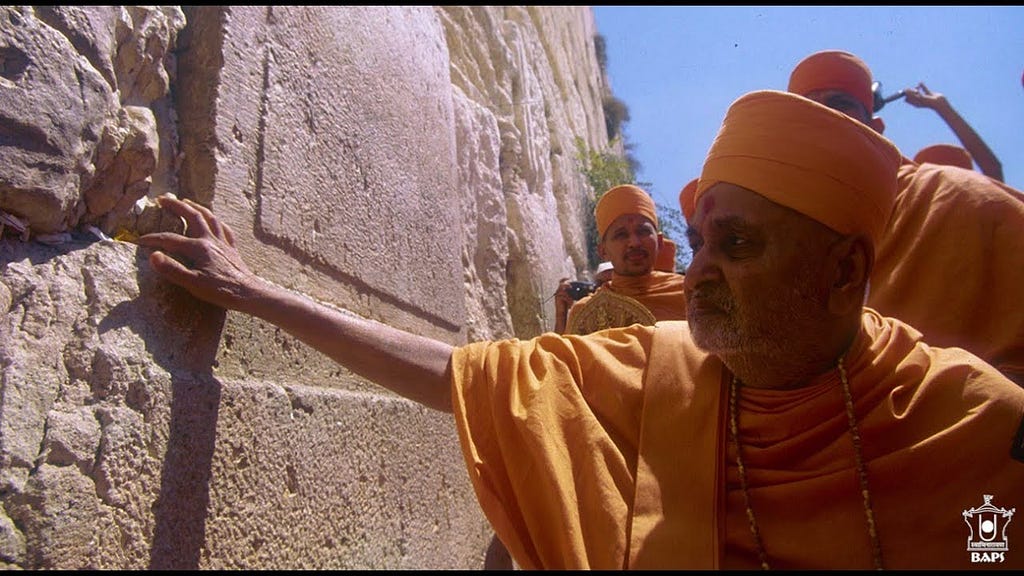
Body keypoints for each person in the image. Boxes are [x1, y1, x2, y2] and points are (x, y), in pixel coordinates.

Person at [135, 89, 1024, 569]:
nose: (700, 266)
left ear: (844, 275)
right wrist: (255, 295)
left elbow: (991, 537)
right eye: (702, 238)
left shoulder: (976, 427)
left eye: (739, 244)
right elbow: (466, 376)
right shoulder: (657, 367)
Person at [788, 49, 1024, 387]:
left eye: (840, 103)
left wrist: (942, 107)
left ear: (876, 128)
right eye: (808, 109)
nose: (824, 116)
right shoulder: (779, 231)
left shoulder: (955, 196)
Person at [558, 184, 687, 336]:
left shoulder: (691, 294)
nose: (634, 242)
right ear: (603, 251)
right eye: (621, 235)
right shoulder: (586, 313)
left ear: (659, 242)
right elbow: (567, 358)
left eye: (643, 231)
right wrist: (561, 317)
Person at [902, 82, 1003, 182]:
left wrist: (942, 107)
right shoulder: (982, 193)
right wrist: (943, 107)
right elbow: (992, 168)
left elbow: (992, 168)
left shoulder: (912, 195)